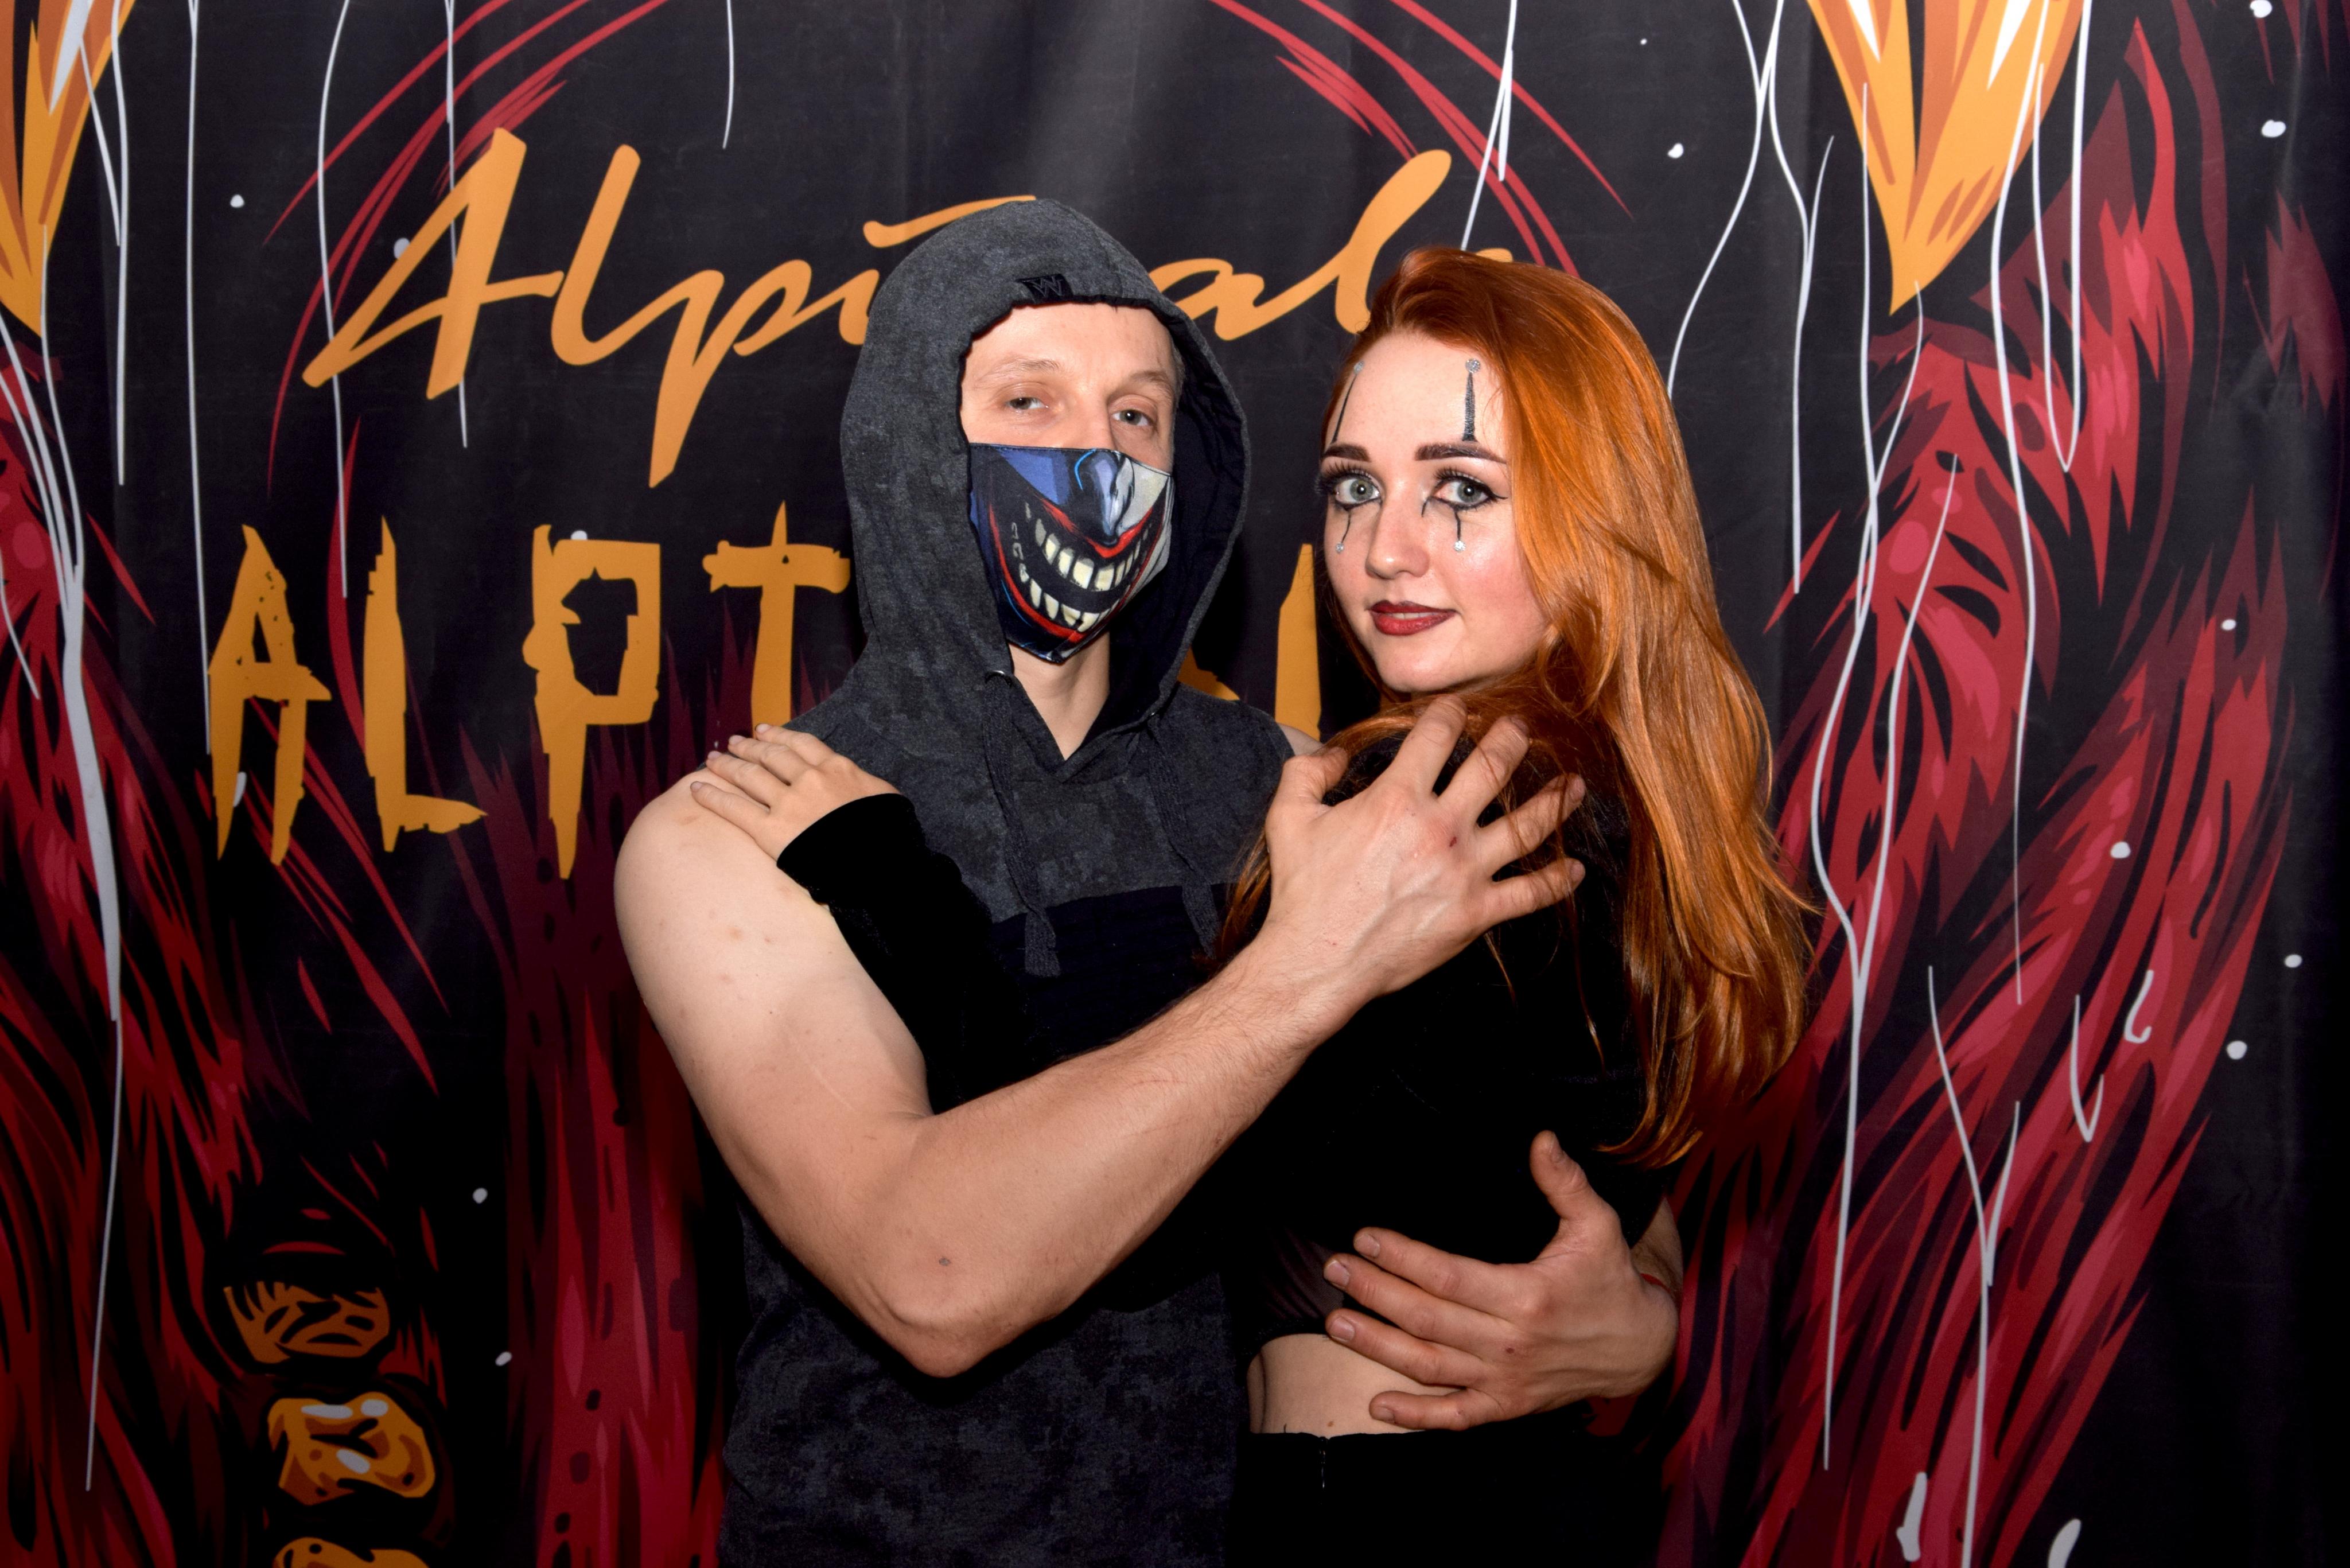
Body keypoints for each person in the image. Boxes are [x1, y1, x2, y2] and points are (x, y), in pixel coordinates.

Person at [615, 204, 1667, 1565]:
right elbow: (931, 1275)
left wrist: (1634, 1317)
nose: (1092, 454)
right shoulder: (737, 830)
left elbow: (1558, 1147)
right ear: (910, 438)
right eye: (1027, 400)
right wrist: (1309, 961)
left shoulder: (1297, 786)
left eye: (1135, 414)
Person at [1212, 249, 1813, 1557]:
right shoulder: (1620, 807)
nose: (1384, 548)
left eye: (1463, 491)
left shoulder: (1434, 802)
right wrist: (1647, 1315)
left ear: (1591, 517)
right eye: (1354, 487)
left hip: (1376, 1517)